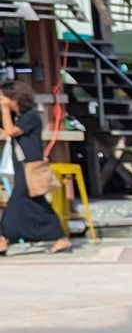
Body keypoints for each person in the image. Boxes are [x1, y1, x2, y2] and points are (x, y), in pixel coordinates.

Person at [0, 83, 71, 254]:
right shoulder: (19, 118)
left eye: (3, 97)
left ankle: (4, 238)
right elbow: (5, 132)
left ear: (14, 98)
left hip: (30, 167)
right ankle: (60, 237)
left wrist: (4, 110)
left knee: (16, 203)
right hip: (22, 167)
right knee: (38, 205)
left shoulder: (31, 117)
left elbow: (10, 132)